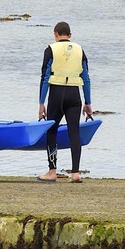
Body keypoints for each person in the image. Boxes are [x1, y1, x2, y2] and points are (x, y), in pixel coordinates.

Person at [37, 21, 94, 183]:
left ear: (55, 34)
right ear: (70, 35)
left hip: (56, 95)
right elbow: (86, 78)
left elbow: (45, 77)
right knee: (74, 132)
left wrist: (41, 103)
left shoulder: (50, 49)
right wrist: (88, 103)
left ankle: (52, 171)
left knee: (52, 131)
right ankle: (75, 173)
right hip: (74, 96)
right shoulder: (79, 50)